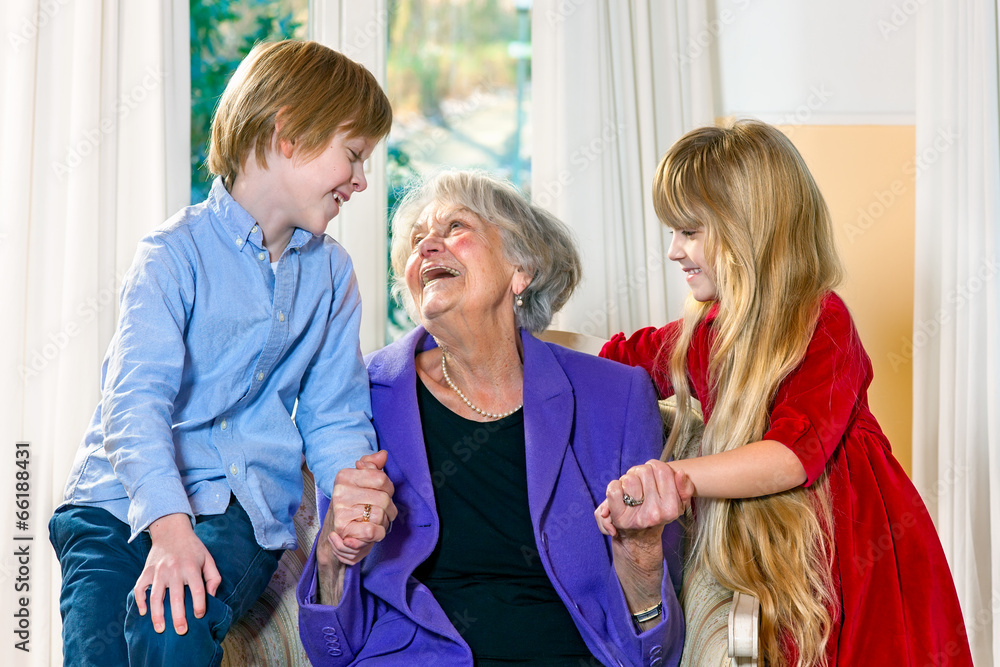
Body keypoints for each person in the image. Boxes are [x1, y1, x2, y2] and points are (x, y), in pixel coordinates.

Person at [48, 40, 392, 665]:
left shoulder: (333, 276)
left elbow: (334, 413)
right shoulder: (171, 256)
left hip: (240, 507)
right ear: (289, 132)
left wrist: (352, 498)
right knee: (99, 652)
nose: (363, 180)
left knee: (168, 624)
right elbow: (134, 405)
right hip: (111, 504)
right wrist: (169, 528)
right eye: (354, 154)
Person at [597, 120, 973, 667]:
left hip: (857, 558)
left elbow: (791, 457)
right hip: (782, 556)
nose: (674, 251)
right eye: (672, 232)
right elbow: (614, 362)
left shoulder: (822, 321)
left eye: (690, 231)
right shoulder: (704, 336)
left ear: (752, 227)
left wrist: (676, 479)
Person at [296, 170, 687, 666]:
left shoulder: (616, 396)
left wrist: (640, 556)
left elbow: (653, 652)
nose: (428, 247)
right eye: (417, 240)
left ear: (520, 269)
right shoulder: (361, 393)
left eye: (456, 227)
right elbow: (332, 651)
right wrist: (332, 555)